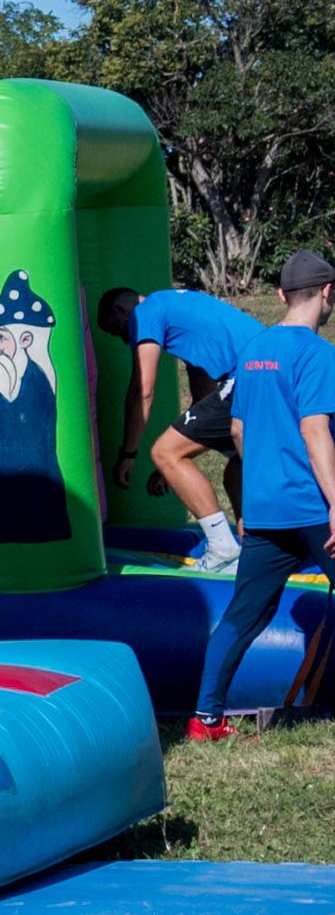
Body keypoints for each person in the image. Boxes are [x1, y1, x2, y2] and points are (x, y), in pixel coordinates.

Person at [111, 256, 335, 732]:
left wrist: (252, 495)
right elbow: (316, 433)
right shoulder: (316, 353)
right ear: (328, 293)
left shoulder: (253, 351)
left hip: (265, 513)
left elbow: (236, 429)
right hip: (313, 508)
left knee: (240, 617)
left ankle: (206, 717)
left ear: (279, 296)